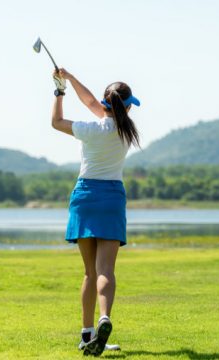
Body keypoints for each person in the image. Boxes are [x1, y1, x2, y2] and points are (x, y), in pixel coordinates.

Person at [50, 68, 140, 356]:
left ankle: (87, 335)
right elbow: (93, 104)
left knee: (89, 273)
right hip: (112, 198)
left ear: (105, 105)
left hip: (85, 197)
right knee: (105, 270)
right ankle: (104, 318)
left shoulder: (91, 129)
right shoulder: (127, 132)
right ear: (126, 107)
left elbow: (56, 122)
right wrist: (72, 78)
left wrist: (60, 90)